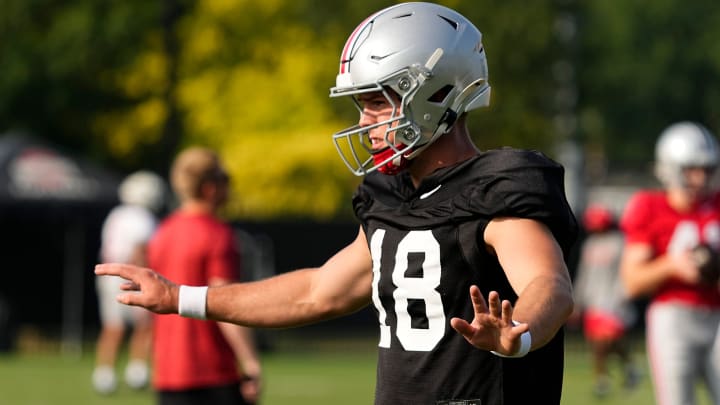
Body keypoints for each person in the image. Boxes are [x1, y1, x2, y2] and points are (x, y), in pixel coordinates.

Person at [96, 3, 578, 404]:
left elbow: (547, 282)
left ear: (438, 93)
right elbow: (318, 291)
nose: (365, 121)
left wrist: (521, 330)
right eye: (360, 104)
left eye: (377, 101)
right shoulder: (392, 197)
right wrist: (181, 297)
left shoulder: (497, 190)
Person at [147, 146, 262, 405]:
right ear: (210, 187)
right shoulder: (217, 235)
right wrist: (250, 362)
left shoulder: (162, 234)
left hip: (167, 373)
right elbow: (227, 304)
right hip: (213, 372)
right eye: (226, 180)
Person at [619, 121, 720, 405]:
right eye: (691, 169)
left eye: (707, 169)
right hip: (673, 315)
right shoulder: (650, 206)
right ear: (670, 168)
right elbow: (632, 281)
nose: (700, 179)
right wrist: (673, 266)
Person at [93, 170, 166, 394]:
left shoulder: (116, 214)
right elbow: (140, 250)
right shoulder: (142, 217)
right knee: (145, 324)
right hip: (129, 275)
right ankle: (137, 371)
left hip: (107, 274)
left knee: (112, 327)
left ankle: (104, 374)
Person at [572, 204, 639, 397]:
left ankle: (625, 368)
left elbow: (626, 271)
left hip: (613, 299)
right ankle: (603, 378)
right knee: (597, 343)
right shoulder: (591, 245)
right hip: (594, 299)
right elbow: (585, 274)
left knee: (609, 339)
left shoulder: (620, 243)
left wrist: (624, 295)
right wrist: (578, 299)